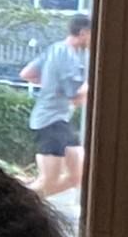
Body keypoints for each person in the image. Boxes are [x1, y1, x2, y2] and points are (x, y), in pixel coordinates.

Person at [26, 15, 93, 198]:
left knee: (78, 175)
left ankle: (29, 201)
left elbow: (27, 73)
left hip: (60, 120)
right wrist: (92, 85)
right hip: (50, 121)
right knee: (49, 180)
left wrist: (51, 84)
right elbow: (76, 94)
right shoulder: (67, 56)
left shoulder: (55, 49)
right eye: (92, 35)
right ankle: (17, 203)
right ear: (83, 33)